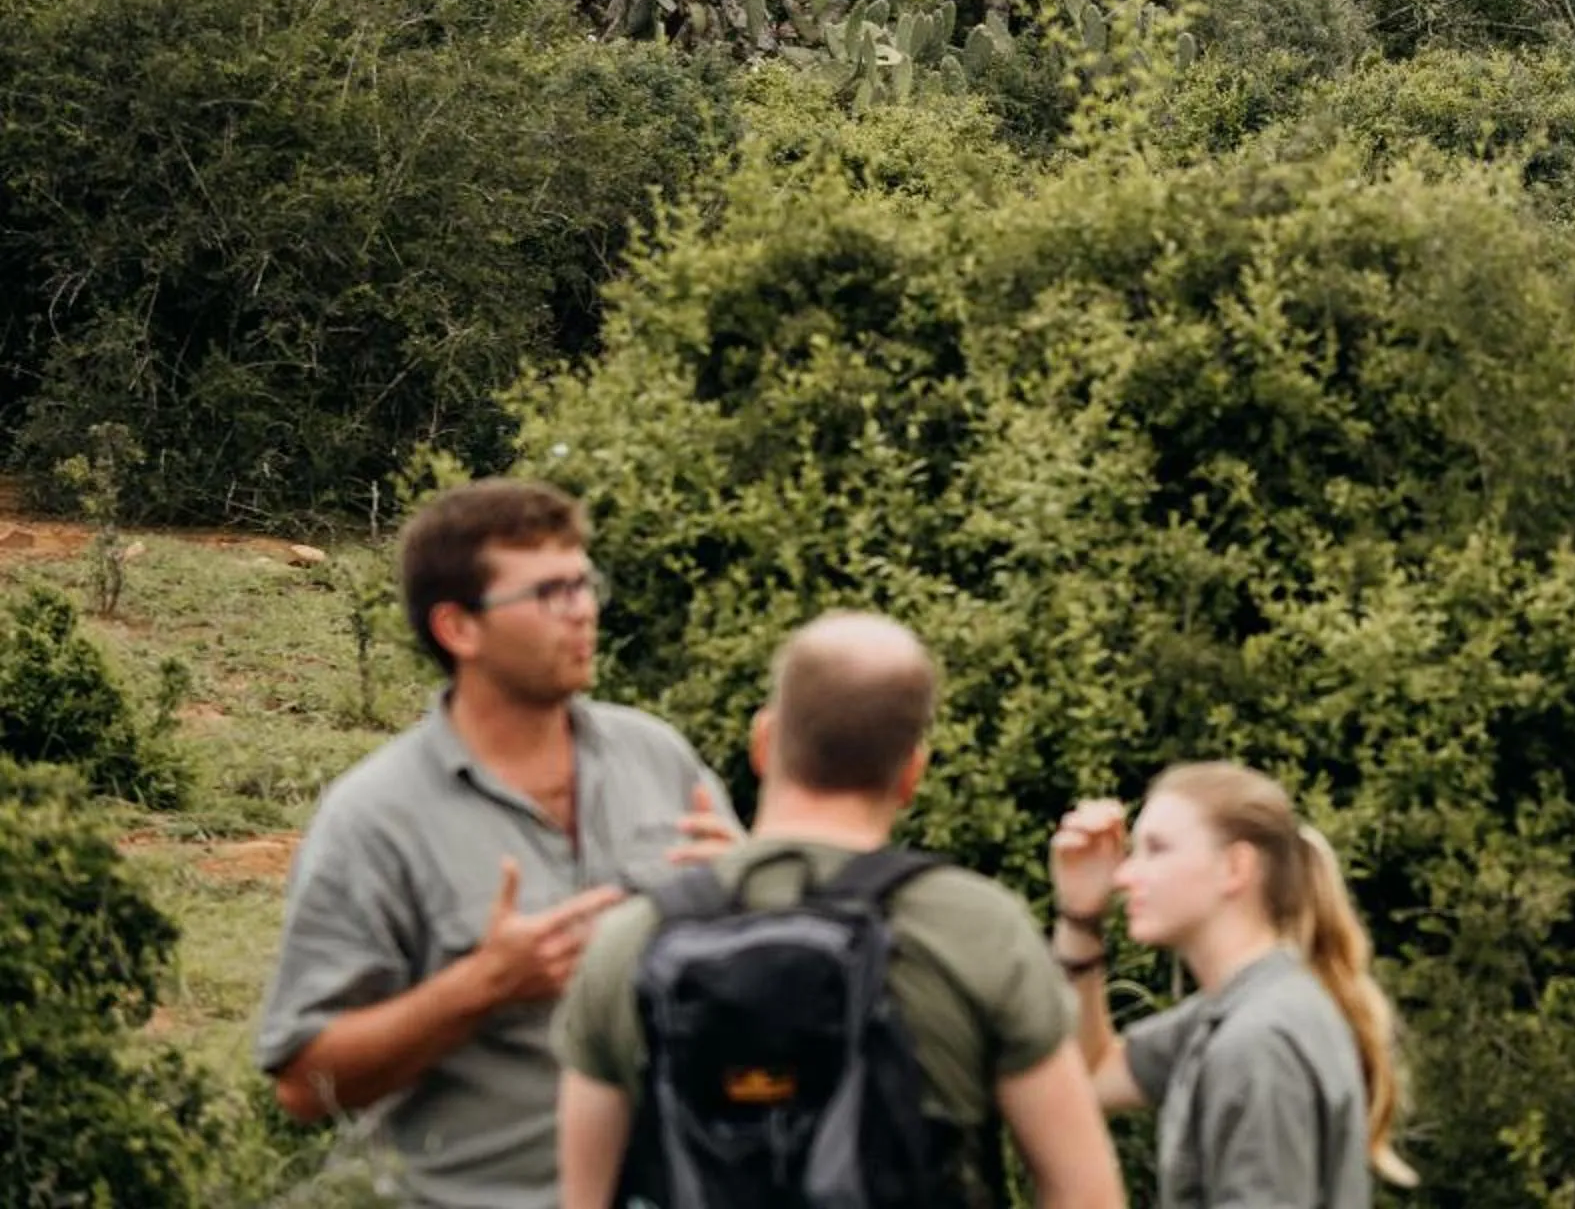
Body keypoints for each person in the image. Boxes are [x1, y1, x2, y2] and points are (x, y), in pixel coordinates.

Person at [257, 478, 741, 1209]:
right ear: (460, 629)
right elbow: (303, 1084)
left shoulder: (659, 757)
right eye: (549, 593)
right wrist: (483, 985)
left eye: (584, 584)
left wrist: (746, 901)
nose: (583, 610)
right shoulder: (374, 818)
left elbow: (757, 965)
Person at [555, 612, 1122, 1209]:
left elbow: (582, 1197)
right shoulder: (977, 929)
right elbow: (1085, 1193)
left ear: (763, 742)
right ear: (912, 772)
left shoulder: (633, 940)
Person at [1049, 763, 1416, 1208]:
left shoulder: (1258, 1041)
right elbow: (1086, 1079)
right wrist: (1081, 918)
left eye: (1156, 849)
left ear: (1235, 867)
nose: (1124, 877)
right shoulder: (1241, 1009)